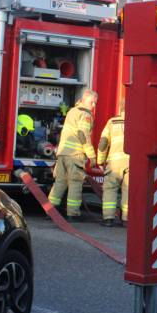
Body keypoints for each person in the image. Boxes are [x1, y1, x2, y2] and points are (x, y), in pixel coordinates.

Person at [48, 89, 97, 220]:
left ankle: (51, 211)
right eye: (92, 102)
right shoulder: (85, 114)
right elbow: (83, 134)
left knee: (60, 182)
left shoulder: (72, 111)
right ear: (84, 100)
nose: (93, 105)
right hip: (75, 154)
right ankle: (73, 214)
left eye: (95, 103)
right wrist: (92, 156)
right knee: (75, 183)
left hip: (62, 154)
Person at [97, 98, 128, 227]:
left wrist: (100, 161)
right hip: (131, 162)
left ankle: (108, 219)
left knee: (110, 189)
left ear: (120, 107)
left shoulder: (112, 122)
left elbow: (103, 143)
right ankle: (126, 220)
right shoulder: (138, 121)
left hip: (114, 163)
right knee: (129, 190)